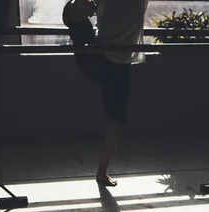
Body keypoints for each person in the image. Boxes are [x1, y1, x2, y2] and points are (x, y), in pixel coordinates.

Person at [63, 0, 149, 186]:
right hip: (103, 58)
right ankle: (102, 173)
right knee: (116, 122)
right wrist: (87, 6)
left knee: (116, 122)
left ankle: (102, 173)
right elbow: (76, 8)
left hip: (112, 60)